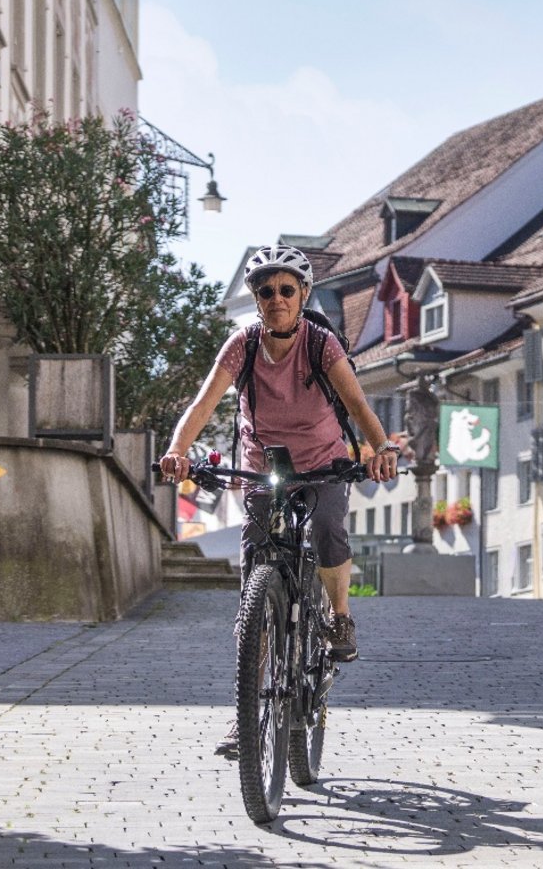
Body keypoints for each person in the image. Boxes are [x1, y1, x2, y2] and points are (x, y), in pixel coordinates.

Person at [161, 245, 399, 752]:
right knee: (255, 578)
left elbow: (356, 403)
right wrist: (177, 450)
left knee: (329, 528)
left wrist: (380, 447)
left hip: (323, 460)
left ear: (303, 294)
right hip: (265, 466)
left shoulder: (320, 345)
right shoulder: (242, 346)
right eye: (266, 291)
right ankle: (247, 712)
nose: (276, 299)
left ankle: (338, 616)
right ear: (255, 297)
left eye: (286, 290)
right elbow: (204, 403)